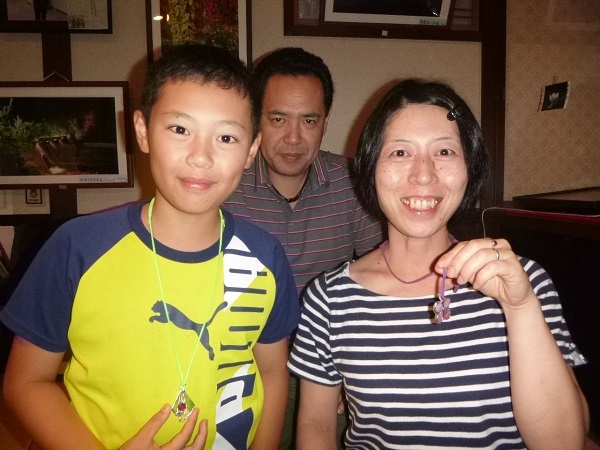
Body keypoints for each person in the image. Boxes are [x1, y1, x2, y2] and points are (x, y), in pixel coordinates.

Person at [0, 43, 300, 450]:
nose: (200, 157)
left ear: (251, 150)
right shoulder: (77, 247)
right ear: (142, 131)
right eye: (180, 130)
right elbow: (26, 381)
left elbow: (272, 372)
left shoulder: (265, 256)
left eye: (226, 137)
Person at [288, 78, 590, 449]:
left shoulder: (523, 282)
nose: (423, 174)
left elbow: (564, 443)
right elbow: (316, 427)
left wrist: (520, 306)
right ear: (371, 167)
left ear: (469, 167)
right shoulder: (329, 298)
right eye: (400, 152)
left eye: (444, 151)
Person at [222, 47, 383, 449]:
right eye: (278, 119)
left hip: (330, 365)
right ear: (256, 118)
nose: (293, 138)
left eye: (309, 120)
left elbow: (385, 272)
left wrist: (357, 367)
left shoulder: (353, 183)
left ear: (325, 122)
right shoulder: (224, 185)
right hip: (241, 365)